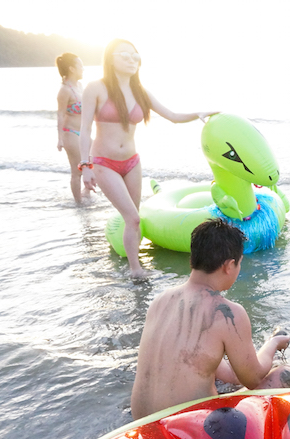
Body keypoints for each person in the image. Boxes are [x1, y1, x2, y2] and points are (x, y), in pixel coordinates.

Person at [130, 218, 290, 420]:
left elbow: (229, 373)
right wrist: (273, 344)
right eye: (239, 264)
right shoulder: (227, 312)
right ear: (229, 265)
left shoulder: (160, 301)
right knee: (287, 374)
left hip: (140, 423)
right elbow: (253, 378)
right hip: (186, 427)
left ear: (193, 259)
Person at [79, 39, 218, 278]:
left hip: (132, 162)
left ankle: (134, 265)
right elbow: (84, 129)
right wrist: (85, 165)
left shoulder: (140, 92)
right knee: (133, 218)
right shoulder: (96, 88)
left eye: (135, 56)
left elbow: (172, 116)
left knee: (134, 218)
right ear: (111, 59)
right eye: (125, 55)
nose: (132, 60)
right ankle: (136, 270)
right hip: (104, 163)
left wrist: (199, 113)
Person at [55, 52, 89, 203]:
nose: (83, 68)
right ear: (72, 69)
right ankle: (79, 203)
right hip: (70, 133)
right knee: (77, 170)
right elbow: (60, 115)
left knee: (95, 161)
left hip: (83, 133)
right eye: (80, 65)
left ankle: (86, 192)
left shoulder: (80, 86)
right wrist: (60, 139)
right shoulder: (65, 90)